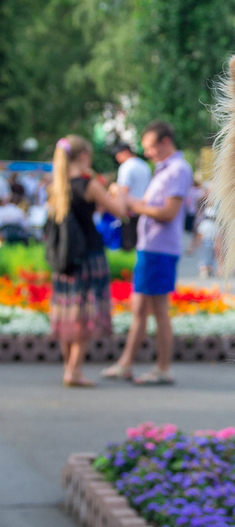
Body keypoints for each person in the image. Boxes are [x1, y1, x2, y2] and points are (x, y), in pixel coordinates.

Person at [101, 121, 192, 385]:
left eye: (151, 147)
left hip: (159, 248)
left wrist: (132, 204)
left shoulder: (177, 169)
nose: (148, 153)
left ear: (165, 142)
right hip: (151, 246)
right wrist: (135, 205)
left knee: (158, 310)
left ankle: (162, 368)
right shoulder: (166, 169)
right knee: (140, 308)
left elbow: (167, 212)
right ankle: (126, 363)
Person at [47, 136, 127, 387]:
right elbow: (119, 211)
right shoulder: (88, 184)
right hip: (89, 256)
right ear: (83, 157)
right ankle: (75, 370)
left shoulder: (57, 185)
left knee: (67, 313)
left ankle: (67, 367)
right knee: (83, 316)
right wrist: (119, 192)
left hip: (65, 259)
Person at [112, 142, 151, 251]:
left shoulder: (126, 167)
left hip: (130, 212)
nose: (118, 159)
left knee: (128, 248)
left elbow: (123, 191)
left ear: (125, 152)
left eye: (118, 155)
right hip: (144, 210)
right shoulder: (144, 165)